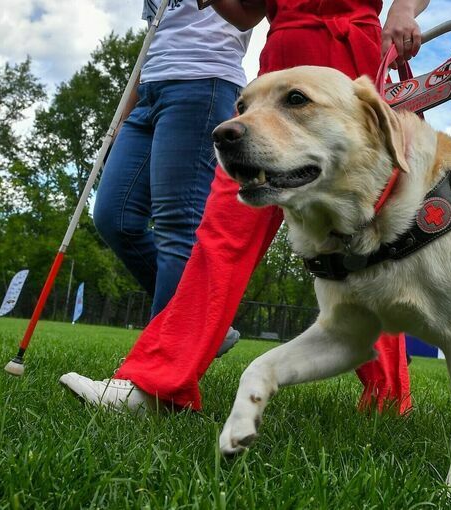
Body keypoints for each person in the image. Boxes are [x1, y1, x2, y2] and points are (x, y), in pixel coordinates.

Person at [61, 0, 430, 414]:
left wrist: (404, 9)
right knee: (222, 230)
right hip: (279, 71)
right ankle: (157, 384)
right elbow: (246, 13)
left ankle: (388, 398)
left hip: (348, 80)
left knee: (363, 249)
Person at [91, 0, 250, 353]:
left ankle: (158, 367)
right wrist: (121, 121)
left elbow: (249, 15)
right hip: (150, 90)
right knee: (113, 216)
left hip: (203, 80)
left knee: (176, 225)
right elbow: (154, 43)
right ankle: (197, 317)